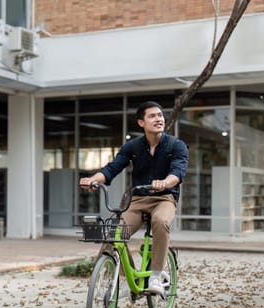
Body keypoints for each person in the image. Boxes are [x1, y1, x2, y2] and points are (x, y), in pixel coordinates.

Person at [79, 101, 189, 295]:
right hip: (137, 201)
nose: (159, 119)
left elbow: (178, 172)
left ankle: (156, 275)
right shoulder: (133, 146)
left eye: (160, 115)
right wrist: (92, 180)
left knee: (161, 221)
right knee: (116, 235)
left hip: (164, 199)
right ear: (141, 123)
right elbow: (112, 169)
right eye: (152, 116)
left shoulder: (176, 145)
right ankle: (124, 277)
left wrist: (165, 182)